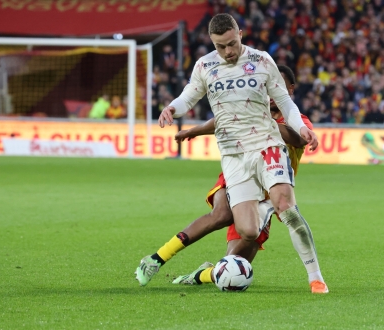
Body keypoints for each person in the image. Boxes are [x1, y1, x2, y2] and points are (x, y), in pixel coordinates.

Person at [135, 14, 328, 293]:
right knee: (248, 231)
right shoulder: (205, 65)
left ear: (240, 33)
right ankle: (206, 272)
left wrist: (301, 128)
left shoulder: (261, 61)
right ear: (212, 43)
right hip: (233, 156)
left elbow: (285, 101)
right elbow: (190, 95)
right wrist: (172, 108)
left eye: (231, 43)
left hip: (266, 145)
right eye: (220, 46)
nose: (228, 51)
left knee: (287, 207)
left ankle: (315, 277)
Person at [169, 65, 319, 288]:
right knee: (220, 215)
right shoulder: (249, 111)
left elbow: (298, 139)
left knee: (237, 261)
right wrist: (194, 131)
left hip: (270, 196)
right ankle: (162, 255)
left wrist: (265, 122)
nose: (271, 93)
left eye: (279, 87)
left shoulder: (300, 121)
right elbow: (223, 119)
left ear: (291, 89)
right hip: (241, 181)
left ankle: (203, 274)